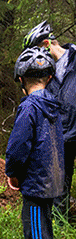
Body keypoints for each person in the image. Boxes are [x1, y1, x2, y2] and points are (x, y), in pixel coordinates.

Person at [5, 46, 67, 239]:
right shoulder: (54, 106)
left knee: (36, 232)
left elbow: (18, 146)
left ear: (21, 80)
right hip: (53, 178)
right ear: (49, 78)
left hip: (36, 182)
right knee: (44, 227)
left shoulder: (29, 107)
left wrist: (13, 173)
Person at [24, 20, 76, 218]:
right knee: (60, 185)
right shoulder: (47, 73)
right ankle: (61, 228)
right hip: (62, 137)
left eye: (37, 51)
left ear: (46, 44)